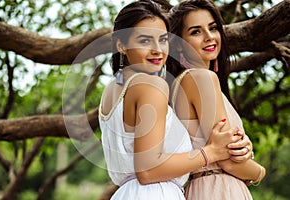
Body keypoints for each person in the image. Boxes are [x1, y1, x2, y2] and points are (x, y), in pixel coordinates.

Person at [98, 0, 245, 199]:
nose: (158, 50)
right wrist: (211, 152)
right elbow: (147, 170)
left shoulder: (112, 90)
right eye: (144, 41)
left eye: (163, 39)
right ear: (121, 45)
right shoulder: (151, 85)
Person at [167, 0, 266, 199]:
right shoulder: (201, 78)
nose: (209, 37)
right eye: (196, 32)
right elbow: (228, 161)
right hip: (219, 188)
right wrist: (259, 172)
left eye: (212, 28)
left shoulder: (179, 84)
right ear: (178, 44)